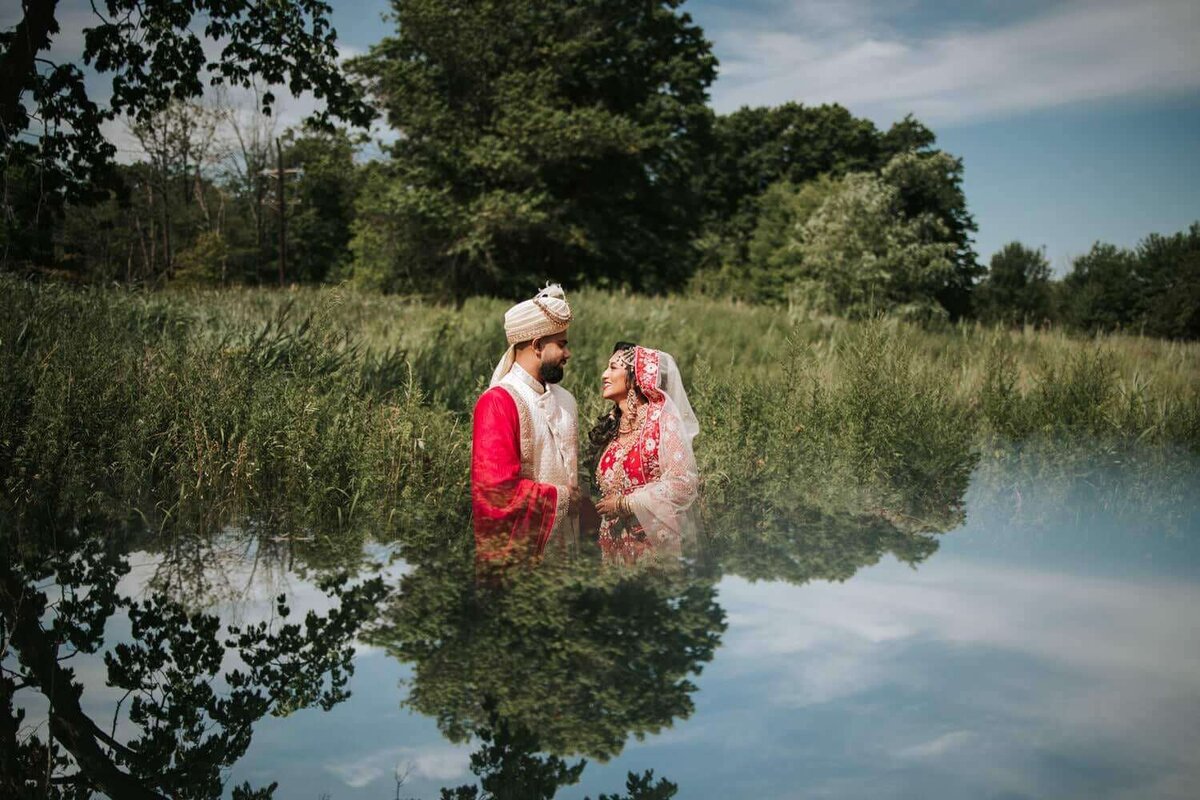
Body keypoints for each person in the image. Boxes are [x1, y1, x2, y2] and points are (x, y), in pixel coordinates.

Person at [471, 284, 581, 562]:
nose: (568, 354)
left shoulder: (566, 401)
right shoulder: (499, 401)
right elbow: (496, 492)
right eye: (562, 344)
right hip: (521, 559)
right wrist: (564, 499)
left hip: (566, 553)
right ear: (536, 346)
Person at [590, 342, 699, 563]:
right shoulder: (612, 429)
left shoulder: (663, 423)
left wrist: (625, 504)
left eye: (613, 368)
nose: (604, 375)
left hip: (652, 549)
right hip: (613, 548)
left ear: (635, 377)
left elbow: (684, 483)